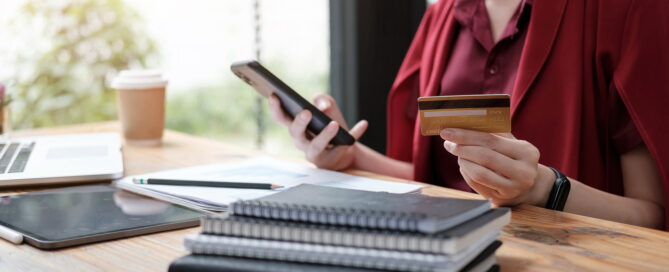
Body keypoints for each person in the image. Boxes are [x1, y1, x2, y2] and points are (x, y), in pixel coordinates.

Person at [268, 0, 669, 230]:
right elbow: (439, 182)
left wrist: (546, 189)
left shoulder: (628, 10)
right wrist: (350, 156)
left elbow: (653, 216)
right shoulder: (443, 16)